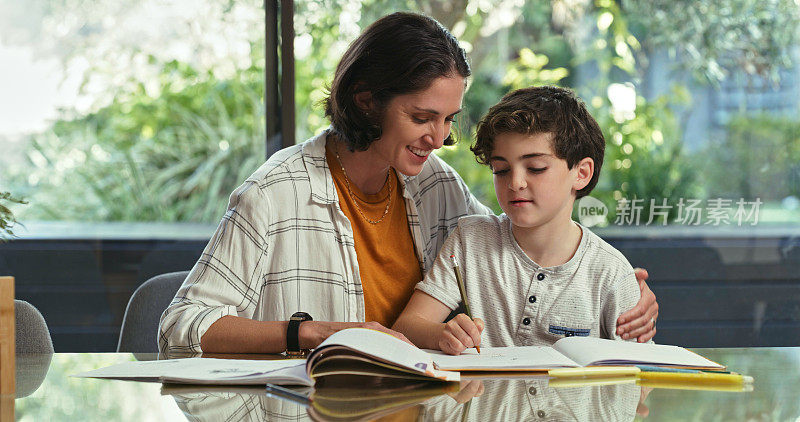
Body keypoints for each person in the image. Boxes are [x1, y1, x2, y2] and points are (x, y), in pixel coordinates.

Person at [158, 12, 657, 356]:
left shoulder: (436, 184)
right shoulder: (274, 193)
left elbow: (515, 245)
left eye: (448, 119)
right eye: (423, 117)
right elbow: (181, 326)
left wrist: (623, 290)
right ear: (366, 101)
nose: (440, 138)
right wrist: (308, 332)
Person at [393, 86, 648, 355]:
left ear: (581, 173)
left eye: (536, 168)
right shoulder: (470, 240)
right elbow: (406, 326)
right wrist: (442, 334)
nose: (515, 183)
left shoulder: (610, 272)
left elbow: (643, 372)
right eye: (501, 170)